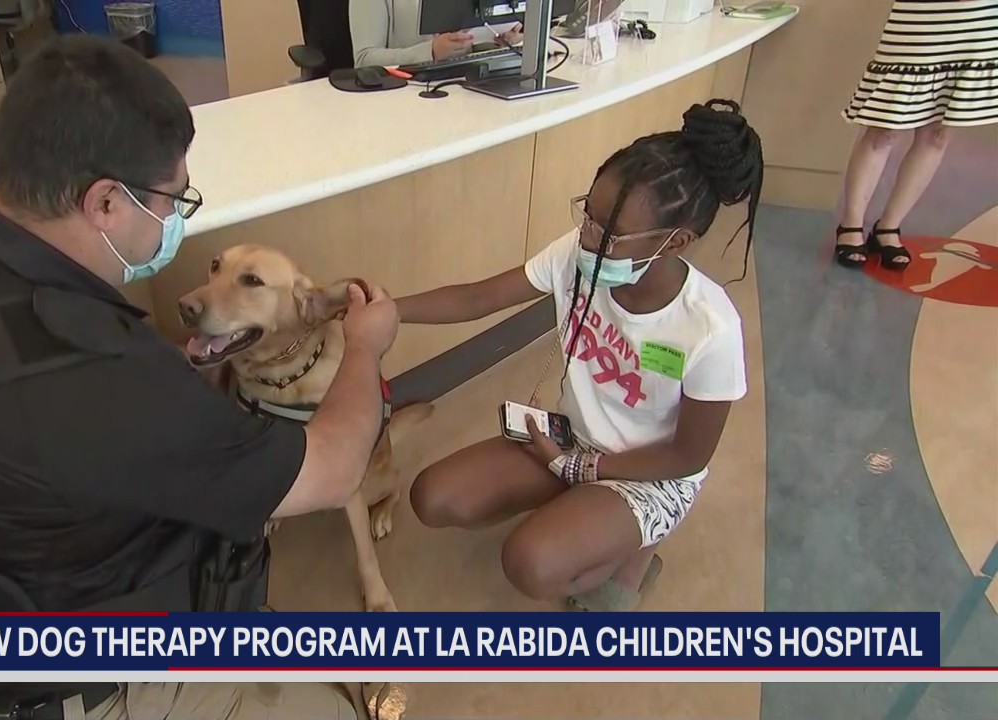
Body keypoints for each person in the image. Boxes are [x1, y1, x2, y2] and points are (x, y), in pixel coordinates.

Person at [0, 36, 398, 720]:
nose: (172, 221)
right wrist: (366, 349)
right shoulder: (105, 376)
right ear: (106, 203)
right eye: (171, 199)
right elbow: (336, 470)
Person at [397, 100, 764, 612]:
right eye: (588, 215)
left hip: (650, 476)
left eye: (610, 235)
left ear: (677, 241)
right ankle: (585, 517)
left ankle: (636, 548)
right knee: (431, 497)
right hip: (569, 439)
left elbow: (688, 456)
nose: (588, 238)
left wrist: (580, 471)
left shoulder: (710, 328)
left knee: (530, 563)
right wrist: (390, 310)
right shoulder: (579, 252)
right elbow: (478, 298)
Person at [834, 0, 998, 271]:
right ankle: (851, 224)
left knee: (937, 134)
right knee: (884, 128)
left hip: (978, 22)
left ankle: (889, 227)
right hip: (919, 18)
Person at [349, 0, 521, 66]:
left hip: (466, 90)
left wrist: (501, 41)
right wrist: (430, 52)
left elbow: (471, 37)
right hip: (406, 99)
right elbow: (365, 58)